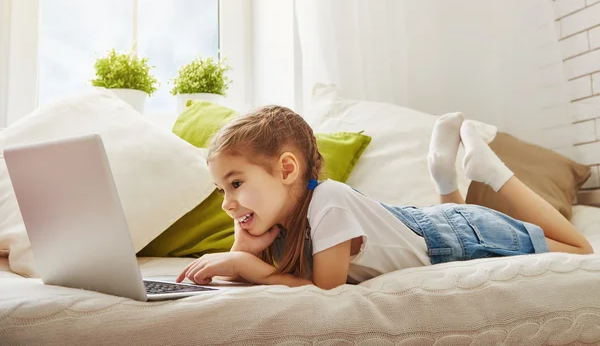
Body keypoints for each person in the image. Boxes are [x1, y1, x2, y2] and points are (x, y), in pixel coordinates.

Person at [176, 106, 594, 289]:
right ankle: (444, 176)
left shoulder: (329, 201)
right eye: (221, 190)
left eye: (235, 184)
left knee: (579, 250)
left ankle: (492, 172)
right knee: (450, 214)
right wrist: (243, 247)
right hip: (431, 226)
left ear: (287, 169)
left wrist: (247, 262)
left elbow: (325, 290)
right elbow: (239, 276)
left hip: (461, 237)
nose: (227, 204)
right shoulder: (280, 227)